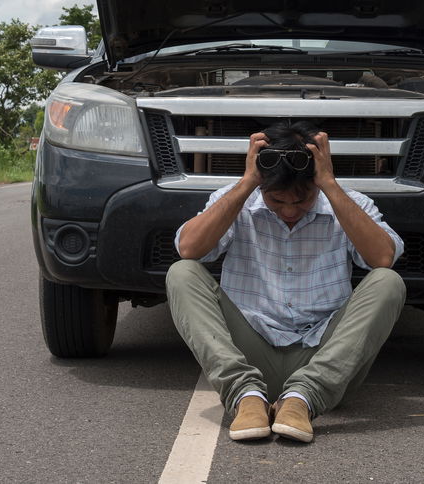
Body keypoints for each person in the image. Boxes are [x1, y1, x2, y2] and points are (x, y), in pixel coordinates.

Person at [166, 121, 406, 442]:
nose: (289, 211)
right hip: (251, 352)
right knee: (181, 273)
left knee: (388, 282)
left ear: (316, 183)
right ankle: (245, 396)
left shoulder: (348, 203)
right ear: (261, 184)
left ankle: (304, 399)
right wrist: (247, 182)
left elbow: (383, 258)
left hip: (324, 359)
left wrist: (330, 186)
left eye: (301, 200)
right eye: (277, 201)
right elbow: (189, 248)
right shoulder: (238, 198)